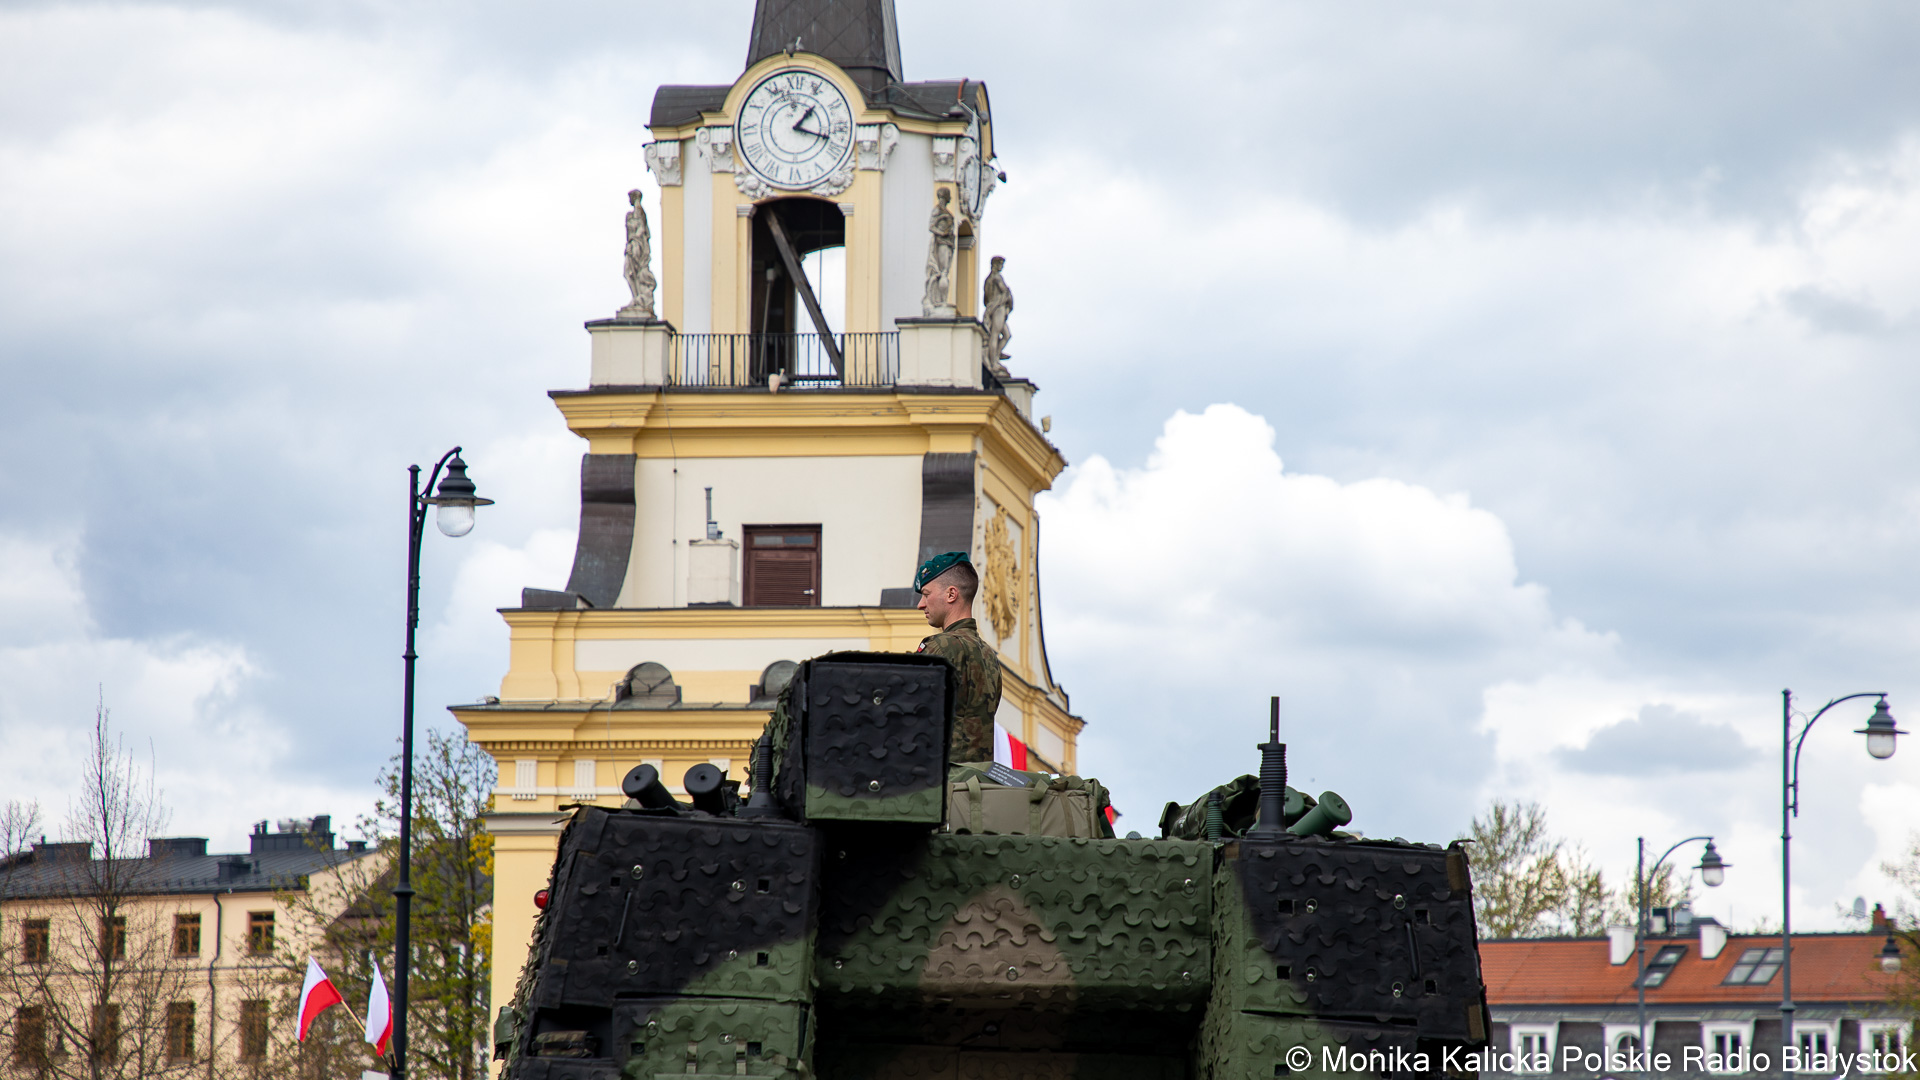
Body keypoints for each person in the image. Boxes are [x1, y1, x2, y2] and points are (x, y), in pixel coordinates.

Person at [913, 551, 1002, 763]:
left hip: (943, 775)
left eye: (926, 594)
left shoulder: (941, 647)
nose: (921, 604)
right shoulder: (989, 656)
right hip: (977, 778)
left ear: (951, 594)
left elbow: (912, 711)